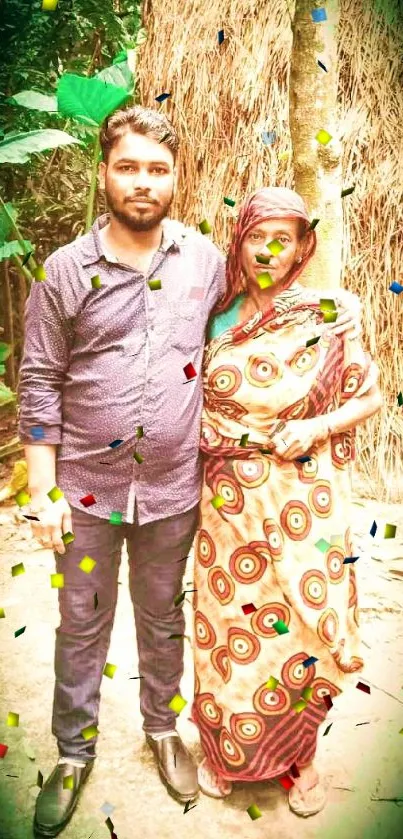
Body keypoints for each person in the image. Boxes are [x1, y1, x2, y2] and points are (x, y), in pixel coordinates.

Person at [17, 105, 362, 838]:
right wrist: (43, 490)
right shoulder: (64, 271)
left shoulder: (205, 263)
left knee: (164, 619)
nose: (142, 182)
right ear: (104, 172)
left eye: (157, 169)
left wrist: (336, 313)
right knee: (80, 622)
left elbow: (266, 308)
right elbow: (41, 382)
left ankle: (164, 732)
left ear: (176, 178)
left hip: (175, 489)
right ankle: (73, 754)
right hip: (83, 489)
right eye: (128, 166)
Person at [191, 186, 383, 817]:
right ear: (240, 240)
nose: (268, 250)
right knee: (229, 628)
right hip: (226, 505)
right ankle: (225, 753)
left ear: (304, 246)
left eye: (284, 238)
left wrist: (317, 427)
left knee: (300, 626)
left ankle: (300, 760)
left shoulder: (329, 311)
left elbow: (369, 397)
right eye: (256, 236)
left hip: (303, 503)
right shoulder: (214, 315)